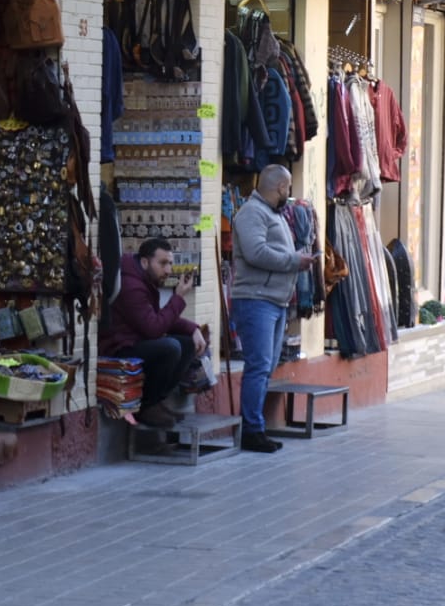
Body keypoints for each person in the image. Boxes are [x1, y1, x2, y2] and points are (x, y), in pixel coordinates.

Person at [230, 164, 317, 454]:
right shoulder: (252, 213)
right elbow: (256, 253)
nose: (290, 193)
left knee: (264, 366)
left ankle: (256, 427)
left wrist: (295, 260)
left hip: (273, 300)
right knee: (258, 366)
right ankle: (252, 431)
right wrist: (294, 261)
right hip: (256, 300)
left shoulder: (272, 214)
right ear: (280, 186)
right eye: (288, 187)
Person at [99, 237, 207, 430]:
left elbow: (156, 318)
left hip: (136, 340)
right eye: (163, 263)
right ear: (145, 262)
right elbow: (154, 328)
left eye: (170, 264)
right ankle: (147, 406)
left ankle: (157, 402)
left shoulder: (144, 279)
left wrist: (193, 329)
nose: (168, 270)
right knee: (170, 348)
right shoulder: (131, 285)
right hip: (120, 347)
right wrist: (178, 298)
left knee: (187, 344)